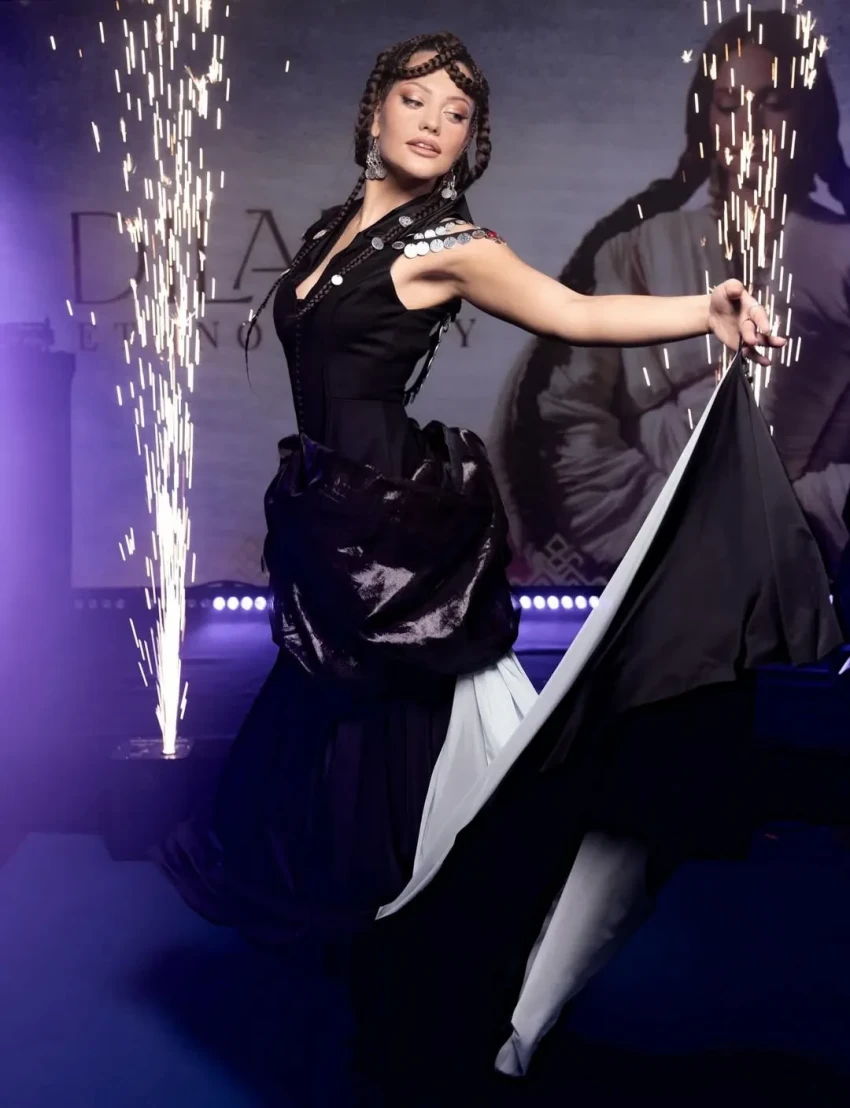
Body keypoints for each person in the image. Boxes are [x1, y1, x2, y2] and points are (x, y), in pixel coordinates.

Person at [152, 30, 842, 1096]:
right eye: (416, 100)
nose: (434, 123)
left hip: (393, 546)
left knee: (402, 760)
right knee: (330, 761)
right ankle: (397, 978)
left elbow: (572, 313)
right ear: (375, 109)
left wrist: (703, 311)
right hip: (333, 529)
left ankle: (425, 986)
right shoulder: (340, 227)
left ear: (472, 139)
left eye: (457, 113)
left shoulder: (449, 242)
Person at [490, 9, 850, 588]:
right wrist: (672, 528)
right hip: (646, 556)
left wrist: (783, 524)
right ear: (705, 119)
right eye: (728, 107)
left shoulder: (844, 254)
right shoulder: (634, 249)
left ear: (810, 113)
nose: (749, 127)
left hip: (800, 562)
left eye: (774, 103)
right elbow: (565, 414)